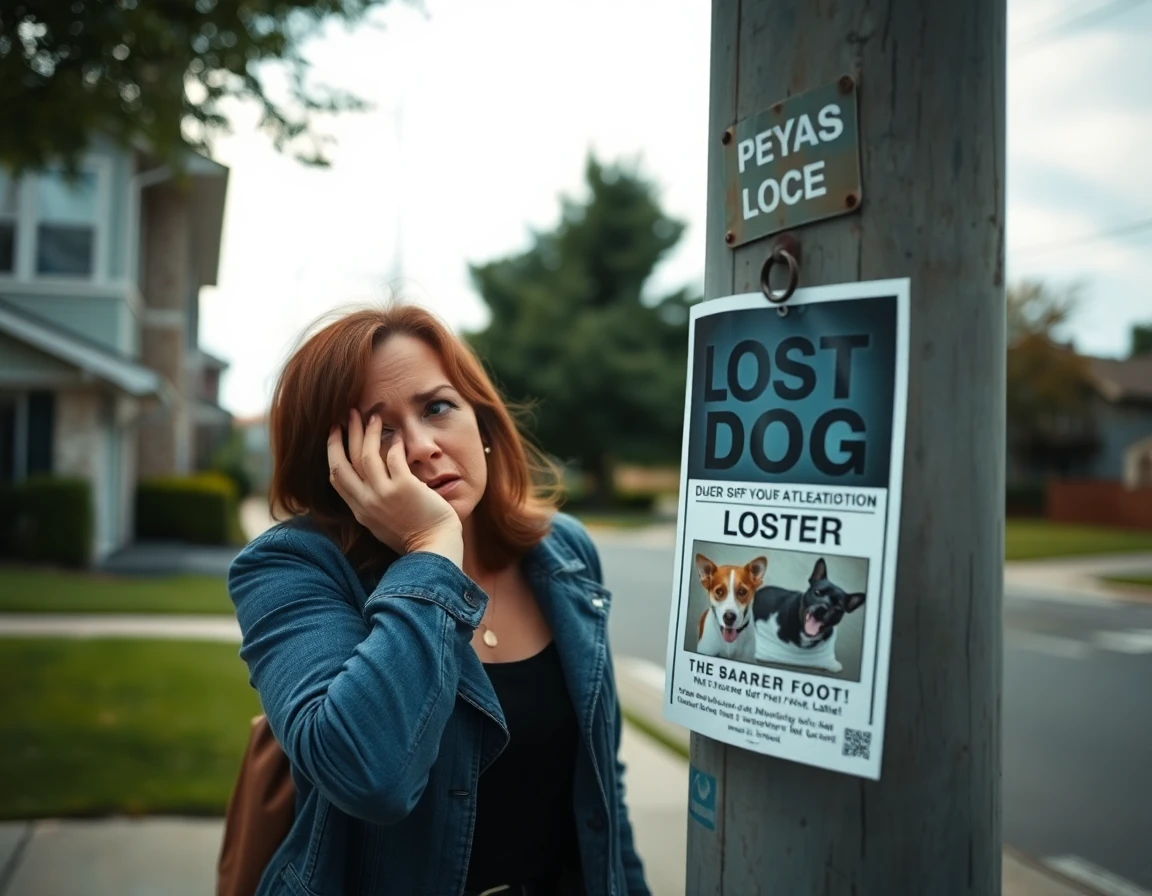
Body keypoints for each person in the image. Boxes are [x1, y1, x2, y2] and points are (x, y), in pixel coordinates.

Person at [228, 304, 651, 896]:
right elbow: (369, 775)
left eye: (437, 408)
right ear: (336, 468)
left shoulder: (563, 551)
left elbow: (601, 789)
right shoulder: (290, 568)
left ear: (481, 419)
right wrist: (429, 549)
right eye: (382, 432)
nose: (424, 447)